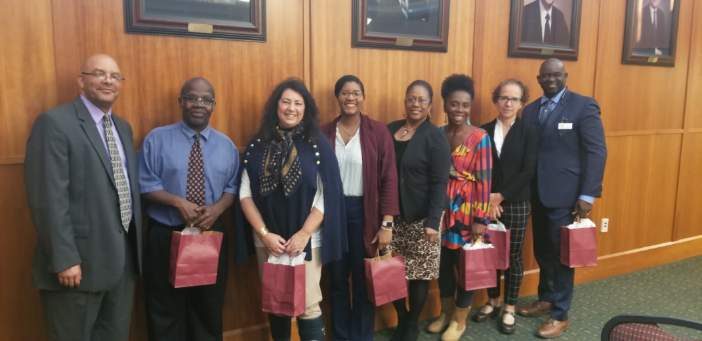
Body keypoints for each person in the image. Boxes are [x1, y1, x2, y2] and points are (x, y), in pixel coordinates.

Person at [24, 54, 143, 341]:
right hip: (78, 266)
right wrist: (64, 258)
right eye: (98, 74)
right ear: (81, 80)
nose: (107, 81)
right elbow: (48, 198)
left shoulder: (123, 128)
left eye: (115, 76)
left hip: (122, 263)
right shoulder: (54, 123)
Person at [239, 78, 347, 341]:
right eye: (286, 101)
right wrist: (264, 234)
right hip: (268, 239)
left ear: (305, 109)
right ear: (276, 105)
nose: (291, 108)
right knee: (277, 302)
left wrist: (304, 234)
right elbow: (245, 194)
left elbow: (325, 196)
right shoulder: (257, 145)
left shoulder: (317, 145)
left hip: (307, 240)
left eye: (298, 103)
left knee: (308, 303)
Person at [139, 77, 239, 341]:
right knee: (165, 309)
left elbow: (232, 188)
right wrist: (176, 202)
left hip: (209, 236)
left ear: (213, 105)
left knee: (207, 308)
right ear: (181, 101)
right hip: (166, 234)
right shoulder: (156, 139)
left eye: (206, 99)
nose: (199, 104)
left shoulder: (227, 146)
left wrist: (217, 209)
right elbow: (146, 185)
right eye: (192, 97)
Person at [517, 58, 607, 338]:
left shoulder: (583, 106)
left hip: (568, 197)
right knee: (543, 251)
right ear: (538, 78)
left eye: (556, 74)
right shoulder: (530, 111)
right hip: (537, 195)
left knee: (564, 255)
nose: (551, 79)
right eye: (546, 75)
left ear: (565, 76)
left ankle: (560, 313)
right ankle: (546, 298)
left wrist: (588, 194)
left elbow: (596, 151)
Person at [321, 75, 399, 341]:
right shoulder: (324, 133)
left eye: (355, 93)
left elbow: (389, 178)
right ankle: (342, 336)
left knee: (364, 277)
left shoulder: (378, 131)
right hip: (332, 214)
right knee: (337, 279)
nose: (350, 98)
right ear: (337, 97)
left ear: (363, 97)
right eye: (345, 93)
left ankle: (362, 336)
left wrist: (387, 222)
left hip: (365, 212)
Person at [424, 74, 492, 341]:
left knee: (467, 266)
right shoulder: (438, 133)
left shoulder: (479, 137)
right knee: (443, 266)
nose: (460, 110)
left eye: (465, 105)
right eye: (454, 104)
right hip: (441, 212)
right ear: (444, 104)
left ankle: (460, 321)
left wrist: (481, 220)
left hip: (467, 213)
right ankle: (446, 313)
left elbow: (485, 182)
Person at [471, 79, 538, 334]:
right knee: (489, 253)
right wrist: (489, 198)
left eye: (514, 99)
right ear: (496, 100)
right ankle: (492, 301)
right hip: (487, 202)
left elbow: (528, 170)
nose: (508, 103)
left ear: (522, 103)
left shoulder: (529, 130)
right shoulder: (483, 130)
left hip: (517, 202)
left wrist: (501, 197)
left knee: (512, 256)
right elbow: (479, 169)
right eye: (504, 98)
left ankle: (509, 306)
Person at [388, 80, 450, 341]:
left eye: (421, 100)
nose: (415, 104)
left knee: (419, 274)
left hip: (423, 218)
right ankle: (402, 318)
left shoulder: (435, 136)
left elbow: (440, 182)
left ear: (430, 105)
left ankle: (412, 324)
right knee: (393, 273)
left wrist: (433, 222)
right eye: (411, 98)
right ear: (405, 101)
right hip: (392, 217)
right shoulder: (389, 130)